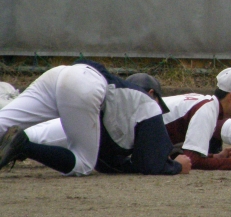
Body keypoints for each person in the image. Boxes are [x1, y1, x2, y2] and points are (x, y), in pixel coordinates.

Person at [0, 60, 190, 176]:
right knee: (82, 165)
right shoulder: (149, 104)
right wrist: (176, 167)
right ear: (152, 93)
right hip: (85, 84)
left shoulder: (124, 102)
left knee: (3, 122)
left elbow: (109, 163)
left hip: (61, 73)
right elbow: (151, 164)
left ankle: (18, 143)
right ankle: (23, 146)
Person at [161, 67, 231, 171]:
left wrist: (215, 157)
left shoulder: (206, 105)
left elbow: (183, 155)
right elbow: (192, 160)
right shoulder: (206, 111)